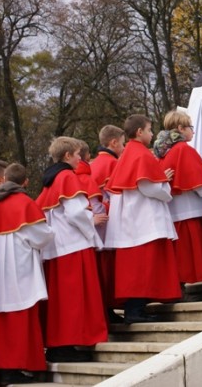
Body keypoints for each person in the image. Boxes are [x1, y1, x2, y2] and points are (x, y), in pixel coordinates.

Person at [0, 164, 54, 385]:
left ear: (3, 179)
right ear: (24, 182)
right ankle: (14, 368)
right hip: (18, 268)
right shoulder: (24, 203)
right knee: (19, 317)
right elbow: (41, 237)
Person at [35, 136, 107, 363]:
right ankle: (68, 344)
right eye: (77, 154)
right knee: (75, 298)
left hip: (56, 248)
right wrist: (91, 226)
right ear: (67, 156)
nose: (80, 158)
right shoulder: (66, 176)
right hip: (73, 246)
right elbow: (75, 212)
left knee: (62, 300)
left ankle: (60, 344)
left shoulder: (50, 180)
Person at [105, 114, 181, 323]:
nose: (152, 133)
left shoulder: (129, 153)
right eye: (149, 130)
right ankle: (135, 310)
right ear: (139, 132)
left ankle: (137, 308)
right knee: (141, 266)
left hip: (134, 218)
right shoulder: (140, 154)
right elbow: (147, 185)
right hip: (141, 219)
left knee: (138, 266)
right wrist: (165, 188)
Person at [154, 110, 202, 283]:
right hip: (190, 208)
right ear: (180, 128)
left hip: (174, 210)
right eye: (190, 127)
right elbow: (197, 181)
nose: (193, 131)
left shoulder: (163, 151)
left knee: (181, 254)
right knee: (195, 252)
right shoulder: (183, 149)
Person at [89, 126, 125, 323]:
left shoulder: (94, 164)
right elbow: (116, 195)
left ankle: (107, 310)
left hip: (98, 226)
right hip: (108, 223)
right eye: (122, 142)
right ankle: (109, 308)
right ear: (114, 143)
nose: (123, 146)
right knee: (109, 271)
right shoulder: (112, 163)